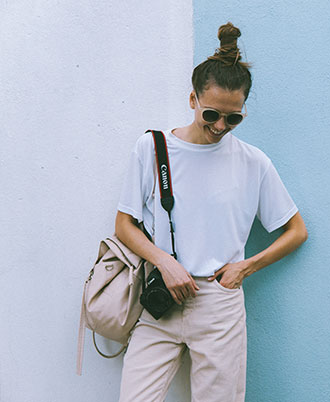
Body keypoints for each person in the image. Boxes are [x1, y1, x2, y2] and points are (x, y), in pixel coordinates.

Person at [114, 22, 308, 402]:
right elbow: (124, 224)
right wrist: (163, 262)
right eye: (211, 114)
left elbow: (296, 231)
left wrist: (244, 268)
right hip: (162, 299)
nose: (220, 126)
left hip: (219, 305)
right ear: (193, 100)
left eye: (233, 118)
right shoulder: (152, 149)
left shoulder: (253, 162)